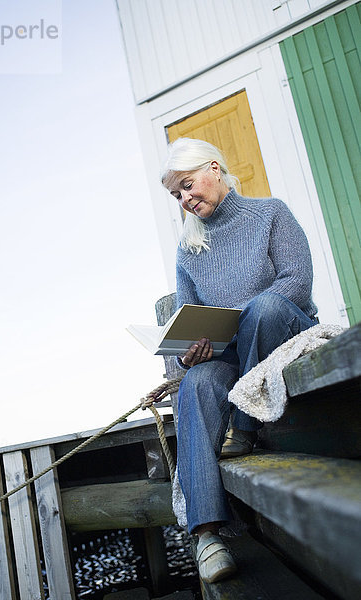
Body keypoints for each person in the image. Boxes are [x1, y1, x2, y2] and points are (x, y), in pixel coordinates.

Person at [160, 138, 318, 584]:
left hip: (281, 332)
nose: (186, 199)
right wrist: (191, 353)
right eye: (177, 195)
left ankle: (244, 428)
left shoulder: (271, 213)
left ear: (215, 168)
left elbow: (297, 282)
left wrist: (249, 314)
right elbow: (187, 321)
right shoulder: (188, 250)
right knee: (197, 383)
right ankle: (207, 534)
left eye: (188, 185)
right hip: (231, 355)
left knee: (262, 309)